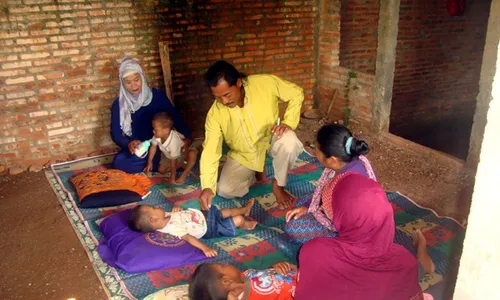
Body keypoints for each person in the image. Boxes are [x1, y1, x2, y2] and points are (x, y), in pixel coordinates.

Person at [294, 173, 424, 300]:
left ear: (343, 215)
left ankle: (423, 258)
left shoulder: (315, 252)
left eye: (332, 208)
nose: (324, 209)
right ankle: (423, 258)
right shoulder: (405, 263)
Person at [199, 60, 304, 211]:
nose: (224, 101)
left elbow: (296, 93)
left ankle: (278, 185)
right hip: (245, 153)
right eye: (217, 97)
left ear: (238, 82)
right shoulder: (214, 114)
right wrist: (207, 186)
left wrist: (288, 122)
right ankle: (256, 171)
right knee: (225, 190)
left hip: (271, 136)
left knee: (289, 141)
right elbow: (210, 150)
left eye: (227, 95)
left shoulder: (265, 83)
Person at [284, 123, 377, 243]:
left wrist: (316, 209)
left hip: (349, 232)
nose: (314, 153)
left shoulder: (347, 185)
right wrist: (308, 206)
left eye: (316, 150)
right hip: (337, 211)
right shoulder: (352, 161)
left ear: (332, 159)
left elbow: (345, 222)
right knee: (303, 201)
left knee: (293, 227)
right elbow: (326, 196)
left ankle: (333, 242)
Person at [110, 57, 191, 173]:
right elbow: (116, 133)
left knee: (175, 150)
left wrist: (187, 137)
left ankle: (161, 163)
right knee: (119, 162)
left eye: (136, 80)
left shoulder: (158, 97)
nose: (134, 86)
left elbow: (175, 118)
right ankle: (162, 165)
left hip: (162, 144)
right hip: (141, 148)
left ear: (142, 77)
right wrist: (129, 143)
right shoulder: (119, 105)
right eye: (128, 82)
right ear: (123, 84)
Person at [128, 200, 257, 257]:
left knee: (227, 211)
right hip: (209, 227)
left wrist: (176, 211)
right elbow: (189, 238)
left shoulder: (165, 215)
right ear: (153, 220)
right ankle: (244, 225)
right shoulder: (171, 229)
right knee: (238, 219)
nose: (157, 206)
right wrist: (205, 248)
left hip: (205, 215)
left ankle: (245, 209)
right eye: (154, 208)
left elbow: (180, 215)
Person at [189, 261, 297, 300]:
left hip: (299, 273)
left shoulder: (245, 275)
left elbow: (264, 274)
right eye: (223, 266)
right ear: (226, 281)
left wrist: (275, 266)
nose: (227, 264)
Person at [144, 112, 198, 184]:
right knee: (161, 170)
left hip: (182, 153)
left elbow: (173, 162)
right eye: (153, 128)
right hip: (169, 155)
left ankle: (185, 172)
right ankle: (180, 165)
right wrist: (149, 162)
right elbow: (153, 147)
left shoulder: (173, 141)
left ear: (166, 130)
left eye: (156, 130)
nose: (153, 131)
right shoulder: (156, 136)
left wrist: (172, 178)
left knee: (192, 154)